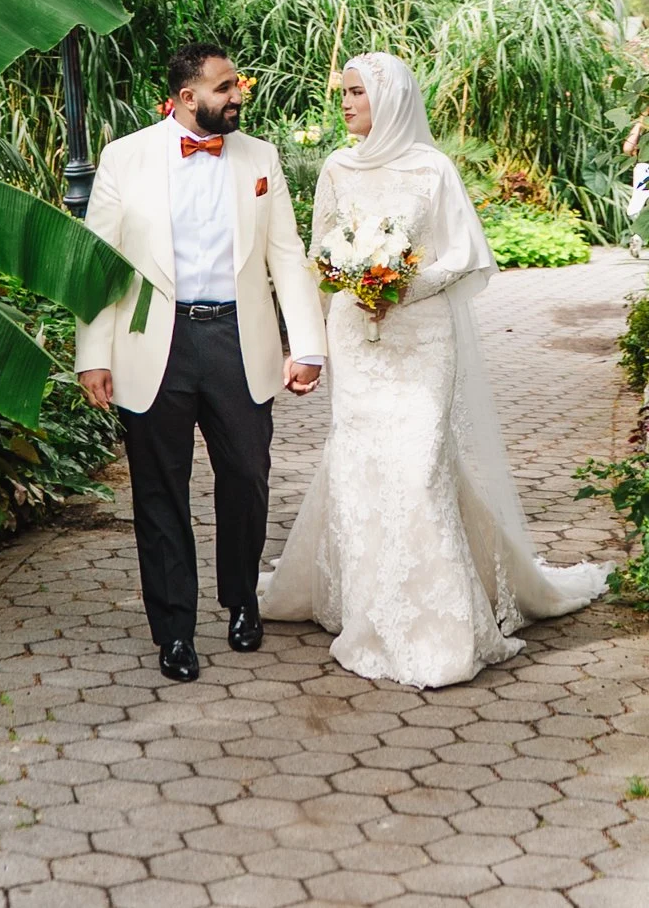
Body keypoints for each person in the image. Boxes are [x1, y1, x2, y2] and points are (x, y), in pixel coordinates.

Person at [258, 50, 607, 687]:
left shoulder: (432, 168)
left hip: (421, 338)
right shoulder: (336, 167)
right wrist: (347, 286)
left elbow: (468, 257)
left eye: (357, 93)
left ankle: (438, 629)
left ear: (388, 99)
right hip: (358, 340)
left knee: (419, 467)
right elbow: (319, 250)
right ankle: (365, 608)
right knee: (363, 466)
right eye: (346, 93)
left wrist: (398, 285)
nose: (346, 103)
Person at [74, 42, 325, 683]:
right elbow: (95, 267)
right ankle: (174, 632)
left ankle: (242, 600)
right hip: (155, 345)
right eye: (223, 87)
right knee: (161, 493)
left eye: (236, 83)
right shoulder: (124, 158)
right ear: (188, 98)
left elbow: (287, 256)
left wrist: (309, 345)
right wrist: (92, 354)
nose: (237, 94)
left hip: (240, 341)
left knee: (247, 478)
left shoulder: (260, 157)